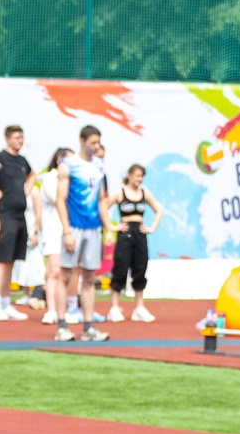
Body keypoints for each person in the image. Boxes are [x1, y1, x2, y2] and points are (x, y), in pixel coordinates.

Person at [55, 124, 109, 341]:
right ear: (82, 141)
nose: (96, 147)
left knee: (89, 277)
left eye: (98, 143)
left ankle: (88, 326)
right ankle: (61, 325)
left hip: (93, 228)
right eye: (93, 143)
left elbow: (103, 198)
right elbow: (60, 199)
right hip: (74, 228)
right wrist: (66, 230)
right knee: (66, 275)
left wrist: (108, 228)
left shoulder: (99, 166)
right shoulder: (68, 166)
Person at [0, 125, 33, 320]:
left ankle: (6, 303)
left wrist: (25, 190)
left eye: (21, 137)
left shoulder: (22, 161)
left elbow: (32, 174)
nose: (20, 141)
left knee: (11, 261)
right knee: (2, 261)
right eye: (16, 138)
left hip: (20, 215)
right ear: (7, 139)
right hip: (5, 215)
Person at [105, 160, 160, 324]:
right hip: (125, 232)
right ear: (129, 176)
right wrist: (111, 228)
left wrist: (151, 228)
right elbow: (103, 208)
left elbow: (159, 210)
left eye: (142, 176)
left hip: (140, 233)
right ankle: (114, 308)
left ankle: (139, 308)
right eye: (137, 176)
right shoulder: (120, 192)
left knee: (140, 267)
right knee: (120, 268)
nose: (139, 179)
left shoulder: (145, 193)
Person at [37, 146, 72, 325]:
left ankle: (68, 309)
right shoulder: (50, 177)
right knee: (54, 270)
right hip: (53, 229)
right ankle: (51, 310)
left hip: (69, 230)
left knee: (69, 271)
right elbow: (58, 197)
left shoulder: (71, 179)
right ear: (59, 159)